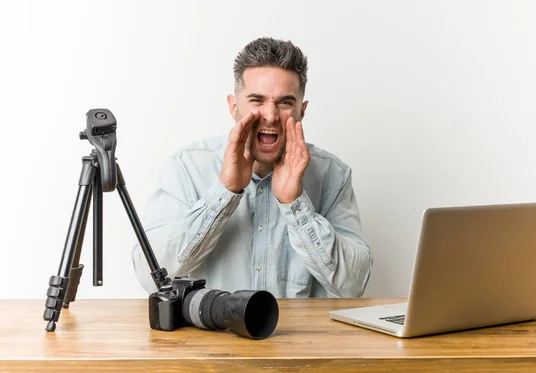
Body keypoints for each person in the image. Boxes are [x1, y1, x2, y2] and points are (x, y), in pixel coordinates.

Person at [132, 37, 372, 298]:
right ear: (233, 106)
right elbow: (151, 275)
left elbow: (353, 286)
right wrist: (224, 192)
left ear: (301, 111)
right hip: (211, 336)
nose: (270, 115)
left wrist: (295, 204)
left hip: (298, 338)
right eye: (257, 100)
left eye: (285, 102)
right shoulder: (185, 168)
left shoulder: (333, 175)